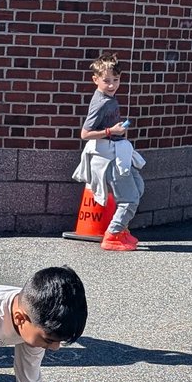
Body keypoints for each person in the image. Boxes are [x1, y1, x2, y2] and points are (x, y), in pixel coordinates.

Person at [72, 52, 146, 252]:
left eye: (116, 79)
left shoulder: (108, 97)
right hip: (110, 157)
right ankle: (112, 235)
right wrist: (111, 131)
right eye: (106, 81)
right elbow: (85, 134)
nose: (112, 85)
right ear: (95, 79)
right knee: (130, 198)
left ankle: (121, 229)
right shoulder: (102, 102)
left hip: (118, 152)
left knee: (138, 188)